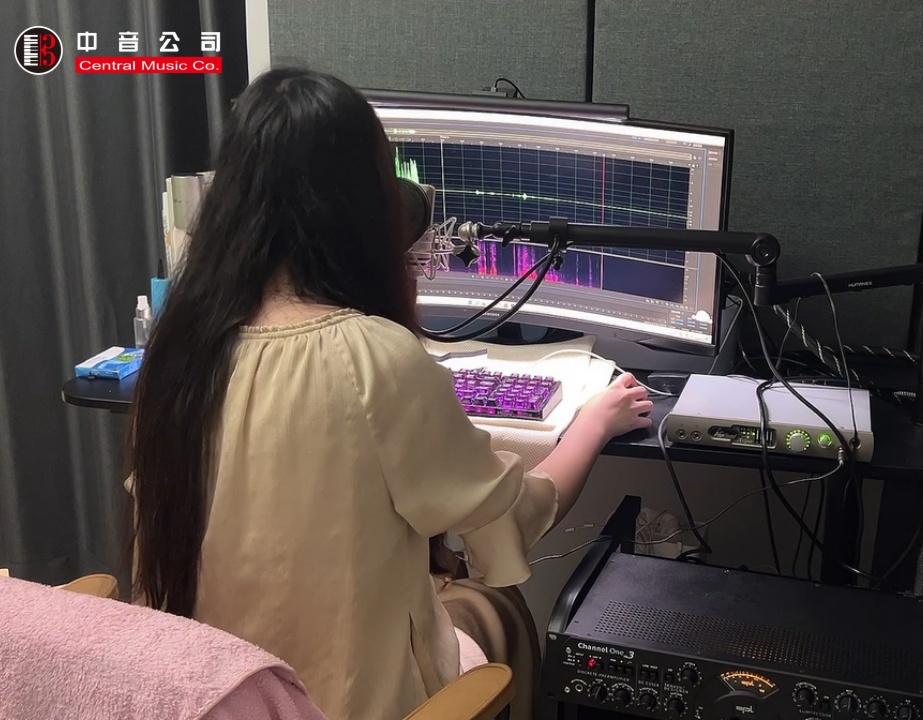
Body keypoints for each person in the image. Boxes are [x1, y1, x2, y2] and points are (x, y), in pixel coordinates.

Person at [126, 67, 653, 720]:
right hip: (338, 706)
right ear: (366, 209)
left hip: (213, 699)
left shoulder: (178, 353)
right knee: (495, 605)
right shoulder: (373, 357)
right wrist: (594, 423)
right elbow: (506, 524)